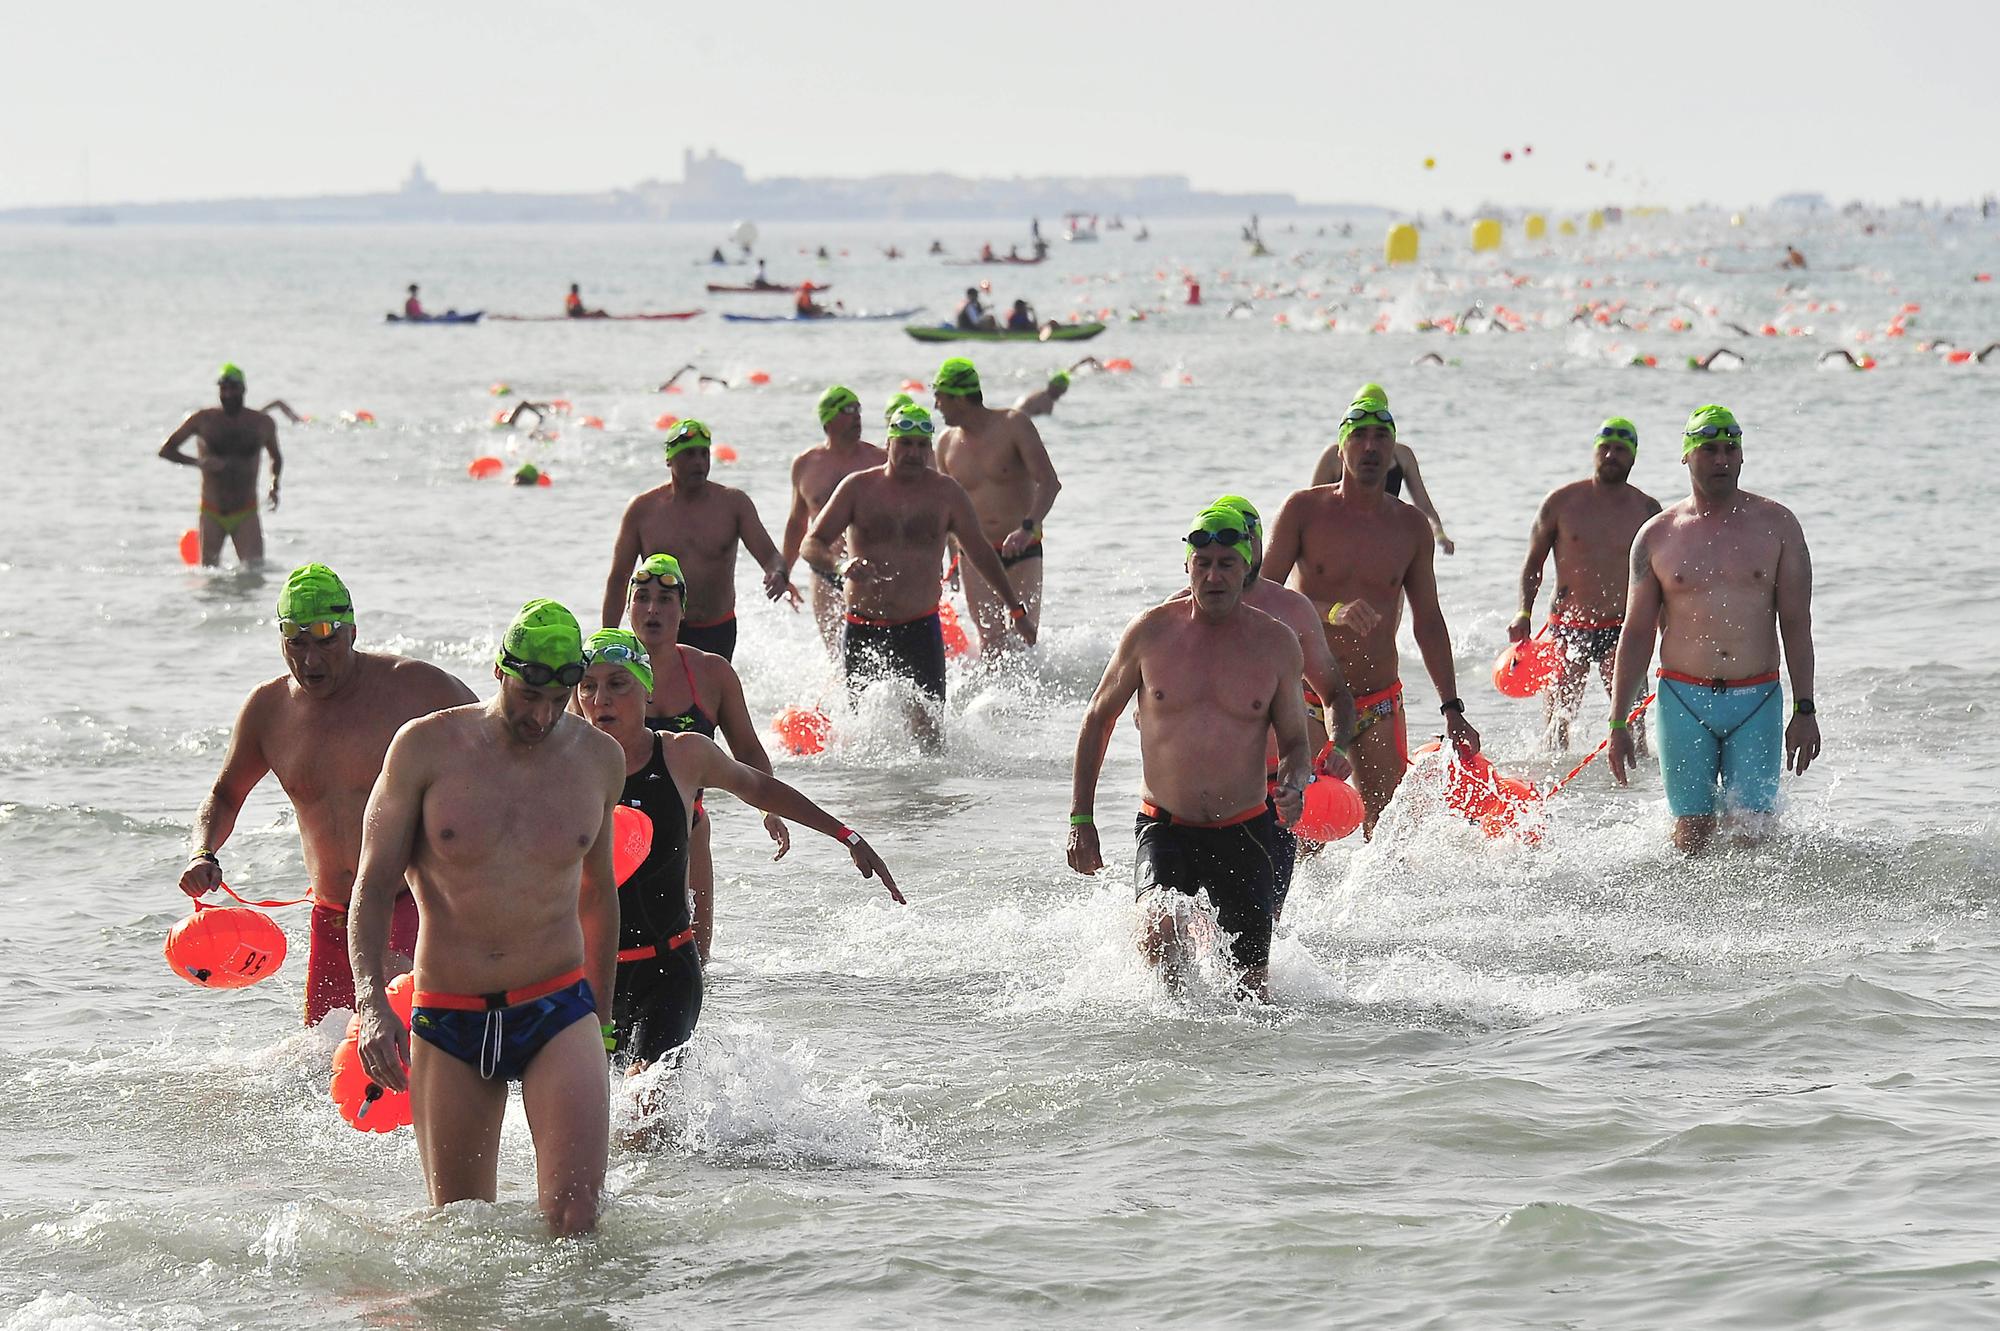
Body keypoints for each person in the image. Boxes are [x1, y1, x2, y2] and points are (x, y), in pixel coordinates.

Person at [350, 599, 621, 1235]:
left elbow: (598, 895)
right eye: (529, 695)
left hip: (557, 1006)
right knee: (463, 1232)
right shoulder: (424, 748)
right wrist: (370, 1004)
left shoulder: (598, 759)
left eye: (560, 699)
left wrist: (602, 1023)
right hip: (451, 1015)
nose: (542, 715)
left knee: (577, 1219)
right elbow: (372, 881)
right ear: (501, 670)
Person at [574, 628, 901, 1071]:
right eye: (588, 686)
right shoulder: (566, 769)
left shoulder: (683, 755)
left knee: (644, 1103)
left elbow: (758, 786)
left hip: (668, 971)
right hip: (593, 976)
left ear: (646, 688)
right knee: (606, 1122)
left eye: (618, 683)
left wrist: (846, 835)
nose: (601, 699)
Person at [177, 564, 474, 1026]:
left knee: (408, 1047)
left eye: (325, 642)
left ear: (352, 632)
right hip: (332, 917)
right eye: (296, 643)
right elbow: (225, 794)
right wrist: (202, 851)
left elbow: (496, 744)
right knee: (325, 1060)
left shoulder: (414, 688)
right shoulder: (268, 711)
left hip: (405, 903)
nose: (311, 661)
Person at [1067, 508, 1310, 1000]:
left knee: (1250, 995)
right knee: (1158, 931)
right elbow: (1097, 719)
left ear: (1247, 569)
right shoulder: (1151, 634)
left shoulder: (1276, 644)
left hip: (1245, 831)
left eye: (1226, 563)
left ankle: (1231, 1073)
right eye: (1202, 562)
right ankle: (1172, 1051)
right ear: (1187, 567)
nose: (1213, 575)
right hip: (1166, 827)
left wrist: (1295, 781)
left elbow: (1296, 742)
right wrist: (1081, 818)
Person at [1263, 384, 1481, 833]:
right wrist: (1329, 610)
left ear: (1393, 450)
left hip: (1380, 699)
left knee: (1386, 840)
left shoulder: (1410, 527)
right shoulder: (1303, 510)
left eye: (1381, 438)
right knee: (1305, 838)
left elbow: (1429, 621)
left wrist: (1452, 708)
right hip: (1307, 698)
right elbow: (1262, 599)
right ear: (1340, 447)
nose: (1370, 447)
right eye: (1358, 436)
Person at [1608, 405, 1819, 853]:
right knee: (1691, 837)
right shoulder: (1656, 535)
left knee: (1754, 838)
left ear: (1742, 457)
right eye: (1709, 450)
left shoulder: (1779, 525)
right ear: (1686, 456)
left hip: (1757, 699)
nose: (1722, 459)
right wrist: (1619, 722)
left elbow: (1797, 624)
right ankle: (1684, 921)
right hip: (1683, 698)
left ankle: (1756, 923)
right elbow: (1636, 634)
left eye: (1731, 449)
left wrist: (1805, 709)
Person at [802, 405, 1034, 748]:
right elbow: (811, 543)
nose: (913, 453)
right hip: (864, 627)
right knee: (861, 735)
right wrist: (840, 567)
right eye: (905, 444)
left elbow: (980, 553)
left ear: (929, 448)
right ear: (889, 444)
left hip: (920, 629)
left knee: (931, 739)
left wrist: (1015, 609)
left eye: (920, 445)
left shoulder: (946, 493)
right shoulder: (858, 488)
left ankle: (926, 802)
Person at [1170, 495, 1355, 919]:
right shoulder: (1176, 612)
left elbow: (1335, 692)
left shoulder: (1291, 610)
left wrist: (1339, 747)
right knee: (1188, 919)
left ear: (1257, 544)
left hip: (1274, 793)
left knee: (1263, 921)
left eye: (1250, 536)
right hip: (1198, 798)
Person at [622, 553, 787, 960]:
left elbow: (746, 749)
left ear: (684, 610)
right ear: (628, 608)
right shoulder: (602, 672)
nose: (652, 609)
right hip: (616, 832)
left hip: (688, 831)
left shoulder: (712, 674)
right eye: (641, 598)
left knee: (696, 962)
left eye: (665, 600)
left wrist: (770, 809)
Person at [1511, 418, 1662, 749]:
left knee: (1634, 729)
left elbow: (1661, 580)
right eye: (1605, 448)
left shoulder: (1647, 510)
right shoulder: (1561, 502)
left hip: (1622, 630)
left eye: (1621, 450)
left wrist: (1669, 634)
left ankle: (1634, 793)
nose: (1611, 455)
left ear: (1633, 457)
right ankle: (1563, 798)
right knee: (1556, 728)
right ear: (1594, 451)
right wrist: (1523, 613)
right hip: (1567, 627)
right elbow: (1533, 564)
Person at [601, 419, 799, 659]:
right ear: (669, 459)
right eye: (688, 454)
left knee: (707, 695)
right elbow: (619, 578)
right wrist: (607, 638)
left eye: (704, 454)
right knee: (656, 694)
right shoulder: (643, 510)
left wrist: (778, 573)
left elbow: (770, 556)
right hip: (658, 627)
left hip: (716, 628)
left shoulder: (734, 504)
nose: (698, 462)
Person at [933, 357, 1062, 652]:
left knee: (1024, 640)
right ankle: (992, 700)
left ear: (960, 396)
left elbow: (1049, 483)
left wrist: (1027, 528)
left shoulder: (1013, 425)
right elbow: (949, 512)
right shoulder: (945, 443)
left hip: (1022, 548)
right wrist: (949, 561)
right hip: (975, 555)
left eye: (940, 397)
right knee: (991, 642)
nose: (936, 406)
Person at [783, 386, 888, 656]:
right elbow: (797, 522)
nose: (857, 417)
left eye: (859, 410)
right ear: (828, 418)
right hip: (826, 569)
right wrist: (784, 572)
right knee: (836, 654)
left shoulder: (879, 460)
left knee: (878, 651)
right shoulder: (805, 464)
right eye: (848, 410)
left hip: (870, 570)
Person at [158, 363, 284, 567]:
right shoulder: (203, 420)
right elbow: (166, 450)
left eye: (233, 388)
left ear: (243, 389)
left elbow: (276, 457)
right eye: (223, 389)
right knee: (209, 576)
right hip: (212, 511)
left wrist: (274, 485)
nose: (227, 394)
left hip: (246, 511)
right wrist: (199, 463)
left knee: (254, 571)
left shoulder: (261, 423)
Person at [1307, 390, 1453, 555]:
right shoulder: (1333, 455)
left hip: (1384, 535)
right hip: (1342, 534)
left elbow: (1424, 505)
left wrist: (1439, 535)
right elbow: (1313, 508)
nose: (1369, 446)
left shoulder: (1403, 455)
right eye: (1359, 434)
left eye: (1379, 434)